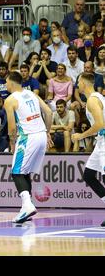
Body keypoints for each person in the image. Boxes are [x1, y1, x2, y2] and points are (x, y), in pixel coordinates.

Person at [4, 71, 53, 223]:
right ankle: (26, 207)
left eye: (6, 82)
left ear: (12, 82)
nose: (5, 85)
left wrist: (12, 143)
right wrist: (48, 132)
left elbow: (12, 127)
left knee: (16, 172)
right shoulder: (32, 94)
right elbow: (49, 112)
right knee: (25, 172)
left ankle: (27, 205)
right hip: (41, 135)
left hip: (28, 137)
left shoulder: (10, 100)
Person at [71, 73, 105, 226]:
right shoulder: (96, 97)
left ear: (84, 83)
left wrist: (81, 136)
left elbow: (100, 124)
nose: (77, 85)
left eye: (78, 82)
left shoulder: (92, 100)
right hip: (100, 141)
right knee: (89, 175)